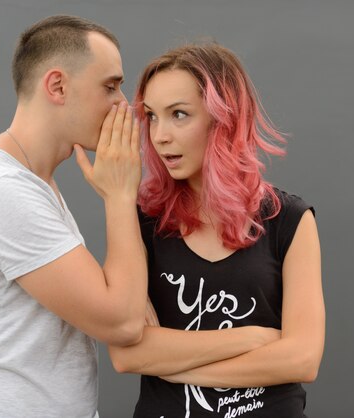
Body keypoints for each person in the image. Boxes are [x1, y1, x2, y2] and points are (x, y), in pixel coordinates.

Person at [0, 15, 146, 418]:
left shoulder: (33, 181)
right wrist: (119, 195)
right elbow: (122, 323)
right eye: (111, 86)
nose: (124, 103)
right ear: (58, 86)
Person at [109, 43, 326, 417]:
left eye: (179, 114)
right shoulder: (141, 221)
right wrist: (254, 338)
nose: (159, 136)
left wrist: (173, 365)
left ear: (224, 118)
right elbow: (128, 353)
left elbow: (302, 359)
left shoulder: (289, 220)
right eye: (152, 117)